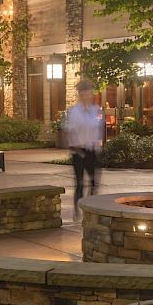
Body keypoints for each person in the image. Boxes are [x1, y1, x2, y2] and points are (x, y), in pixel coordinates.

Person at [64, 79, 104, 217]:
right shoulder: (74, 112)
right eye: (84, 94)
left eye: (89, 93)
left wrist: (99, 146)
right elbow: (70, 131)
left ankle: (90, 209)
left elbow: (99, 130)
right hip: (79, 151)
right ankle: (77, 211)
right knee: (80, 183)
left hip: (92, 150)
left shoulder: (96, 110)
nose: (87, 96)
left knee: (93, 182)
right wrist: (75, 147)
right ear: (80, 95)